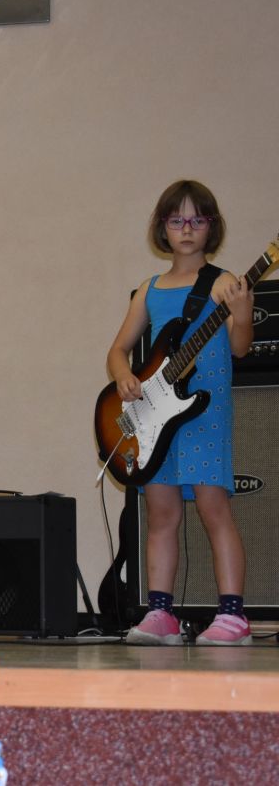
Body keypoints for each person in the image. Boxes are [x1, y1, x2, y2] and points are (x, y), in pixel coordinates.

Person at [106, 180, 253, 646]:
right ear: (162, 228)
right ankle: (160, 614)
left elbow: (240, 347)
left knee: (214, 508)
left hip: (205, 415)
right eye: (177, 220)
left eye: (197, 219)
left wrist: (242, 313)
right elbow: (118, 350)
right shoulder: (148, 290)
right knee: (161, 513)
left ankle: (232, 617)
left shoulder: (224, 283)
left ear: (212, 227)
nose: (187, 229)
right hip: (155, 419)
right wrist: (124, 377)